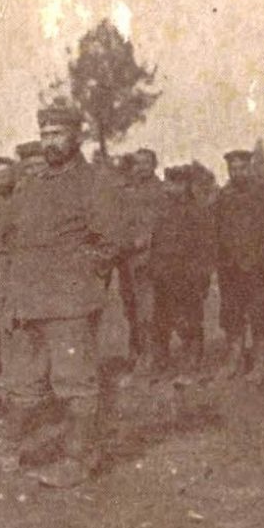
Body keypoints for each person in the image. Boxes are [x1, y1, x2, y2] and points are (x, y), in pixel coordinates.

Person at [0, 104, 122, 487]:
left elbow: (111, 241)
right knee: (22, 379)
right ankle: (4, 452)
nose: (50, 141)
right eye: (45, 134)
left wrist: (77, 275)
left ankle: (81, 457)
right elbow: (11, 234)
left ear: (76, 135)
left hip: (69, 302)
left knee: (74, 380)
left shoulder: (96, 182)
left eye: (58, 134)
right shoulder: (33, 185)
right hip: (29, 302)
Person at [215, 148, 264, 382]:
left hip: (256, 264)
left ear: (250, 167)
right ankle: (235, 358)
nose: (238, 172)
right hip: (229, 266)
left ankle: (263, 361)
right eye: (233, 169)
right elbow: (216, 229)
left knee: (259, 312)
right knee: (231, 312)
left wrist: (263, 258)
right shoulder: (223, 195)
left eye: (242, 167)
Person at [150, 165, 216, 375]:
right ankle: (163, 363)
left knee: (190, 320)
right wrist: (155, 270)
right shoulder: (162, 210)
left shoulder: (197, 210)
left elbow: (206, 246)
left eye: (173, 184)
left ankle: (193, 360)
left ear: (184, 185)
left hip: (188, 275)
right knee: (162, 321)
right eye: (167, 183)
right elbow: (157, 242)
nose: (168, 188)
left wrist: (201, 277)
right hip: (163, 274)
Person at [115, 148, 167, 374]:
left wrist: (147, 240)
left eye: (146, 163)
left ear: (154, 165)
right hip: (127, 259)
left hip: (150, 259)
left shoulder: (161, 191)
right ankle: (136, 351)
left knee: (149, 311)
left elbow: (163, 224)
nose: (141, 167)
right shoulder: (127, 191)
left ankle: (151, 356)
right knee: (131, 309)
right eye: (137, 163)